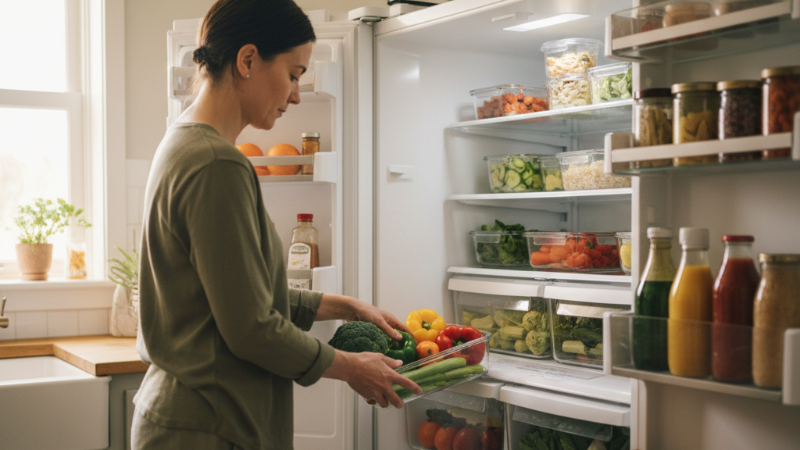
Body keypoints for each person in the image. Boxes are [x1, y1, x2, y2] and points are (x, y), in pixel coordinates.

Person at [131, 1, 421, 449]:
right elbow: (250, 326)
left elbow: (235, 295)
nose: (296, 95)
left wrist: (343, 306)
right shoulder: (216, 163)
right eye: (293, 74)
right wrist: (351, 367)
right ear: (247, 60)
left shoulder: (183, 141)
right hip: (210, 422)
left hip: (195, 415)